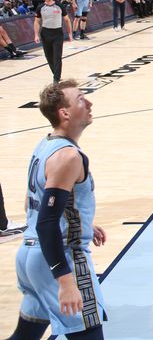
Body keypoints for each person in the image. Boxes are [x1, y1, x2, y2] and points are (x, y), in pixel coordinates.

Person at [8, 80, 108, 339]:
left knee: (24, 337)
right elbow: (47, 223)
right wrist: (65, 280)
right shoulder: (68, 157)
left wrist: (85, 224)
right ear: (64, 113)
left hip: (30, 256)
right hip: (61, 257)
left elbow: (45, 203)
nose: (89, 103)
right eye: (80, 100)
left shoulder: (46, 145)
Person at [34, 0, 73, 83]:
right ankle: (55, 73)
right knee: (49, 56)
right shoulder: (40, 7)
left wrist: (70, 33)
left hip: (57, 33)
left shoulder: (59, 6)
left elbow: (67, 20)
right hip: (45, 33)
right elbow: (37, 21)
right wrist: (36, 34)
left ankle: (56, 78)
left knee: (57, 56)